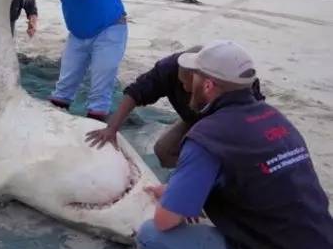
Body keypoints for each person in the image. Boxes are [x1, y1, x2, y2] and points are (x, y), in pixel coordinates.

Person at [135, 40, 333, 249]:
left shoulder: (208, 136)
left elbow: (165, 221)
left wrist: (173, 204)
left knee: (150, 237)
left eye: (194, 75)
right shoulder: (275, 118)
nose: (187, 82)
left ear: (208, 85)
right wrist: (174, 191)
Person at [85, 46, 265, 167]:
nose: (186, 90)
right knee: (164, 150)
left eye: (191, 88)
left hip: (232, 127)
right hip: (193, 118)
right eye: (182, 85)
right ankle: (187, 180)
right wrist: (112, 128)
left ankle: (209, 187)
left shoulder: (235, 80)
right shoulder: (169, 68)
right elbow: (135, 92)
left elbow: (253, 120)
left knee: (224, 162)